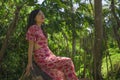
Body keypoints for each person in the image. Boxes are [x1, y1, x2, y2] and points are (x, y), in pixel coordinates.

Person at [25, 9, 78, 80]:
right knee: (68, 61)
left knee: (65, 68)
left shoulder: (42, 29)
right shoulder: (33, 28)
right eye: (39, 14)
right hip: (42, 58)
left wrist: (54, 57)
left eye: (42, 14)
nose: (42, 15)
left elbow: (46, 47)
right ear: (34, 18)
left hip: (49, 57)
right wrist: (29, 63)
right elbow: (30, 46)